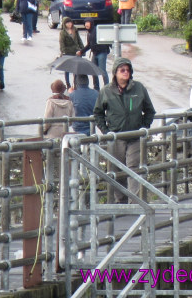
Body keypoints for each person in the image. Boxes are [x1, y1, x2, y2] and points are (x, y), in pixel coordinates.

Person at [93, 57, 156, 201]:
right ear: (115, 72)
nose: (126, 72)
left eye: (128, 70)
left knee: (134, 168)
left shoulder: (139, 88)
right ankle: (120, 200)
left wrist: (144, 128)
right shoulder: (106, 91)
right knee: (116, 170)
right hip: (116, 137)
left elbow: (150, 110)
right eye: (122, 70)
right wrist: (105, 131)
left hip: (135, 136)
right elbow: (98, 113)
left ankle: (135, 201)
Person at [80, 21, 110, 89]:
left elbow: (104, 40)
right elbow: (89, 45)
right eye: (85, 24)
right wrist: (81, 51)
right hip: (95, 53)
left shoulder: (97, 30)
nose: (86, 25)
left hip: (102, 52)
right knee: (93, 70)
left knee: (102, 71)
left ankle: (107, 88)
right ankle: (96, 88)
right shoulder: (89, 33)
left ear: (91, 23)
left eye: (88, 23)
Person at [58, 17, 83, 87]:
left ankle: (75, 83)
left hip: (75, 51)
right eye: (67, 23)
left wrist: (82, 49)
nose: (69, 24)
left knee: (76, 69)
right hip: (67, 52)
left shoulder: (75, 29)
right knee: (67, 69)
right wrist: (63, 52)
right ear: (64, 24)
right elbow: (61, 43)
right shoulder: (63, 32)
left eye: (70, 22)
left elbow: (79, 40)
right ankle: (68, 84)